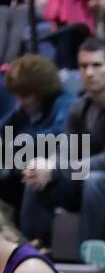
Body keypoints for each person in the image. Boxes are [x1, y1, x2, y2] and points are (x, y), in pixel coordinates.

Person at [18, 39, 105, 246]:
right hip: (95, 174)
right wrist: (46, 166)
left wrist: (56, 169)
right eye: (83, 66)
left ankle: (92, 255)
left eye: (96, 65)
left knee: (95, 180)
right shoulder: (81, 105)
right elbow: (66, 151)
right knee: (36, 176)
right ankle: (31, 250)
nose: (89, 73)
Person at [0, 55, 76, 219]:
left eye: (25, 96)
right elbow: (5, 127)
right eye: (17, 96)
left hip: (59, 167)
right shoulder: (24, 106)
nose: (20, 102)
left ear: (41, 91)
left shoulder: (65, 102)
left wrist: (16, 143)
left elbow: (59, 133)